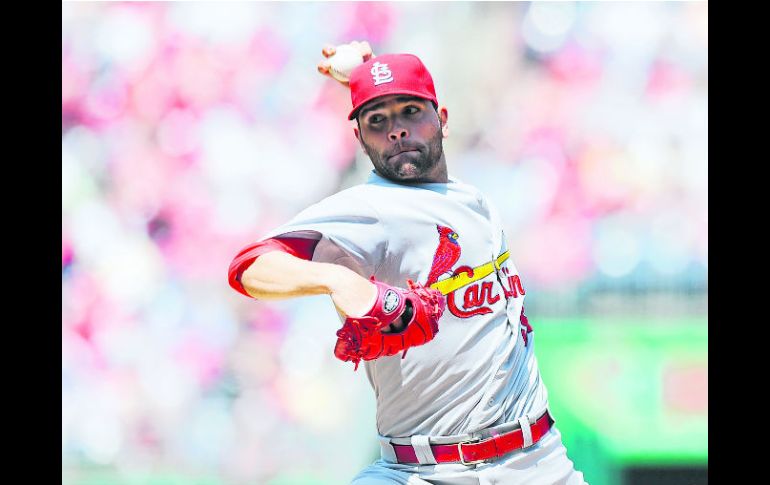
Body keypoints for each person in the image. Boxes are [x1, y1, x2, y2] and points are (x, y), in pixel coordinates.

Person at [228, 41, 586, 484]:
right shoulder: (373, 207)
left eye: (410, 113)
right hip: (419, 470)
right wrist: (336, 279)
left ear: (444, 120)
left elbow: (391, 88)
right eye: (377, 121)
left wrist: (363, 73)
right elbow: (250, 268)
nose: (396, 130)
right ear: (359, 139)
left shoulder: (476, 198)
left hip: (536, 462)